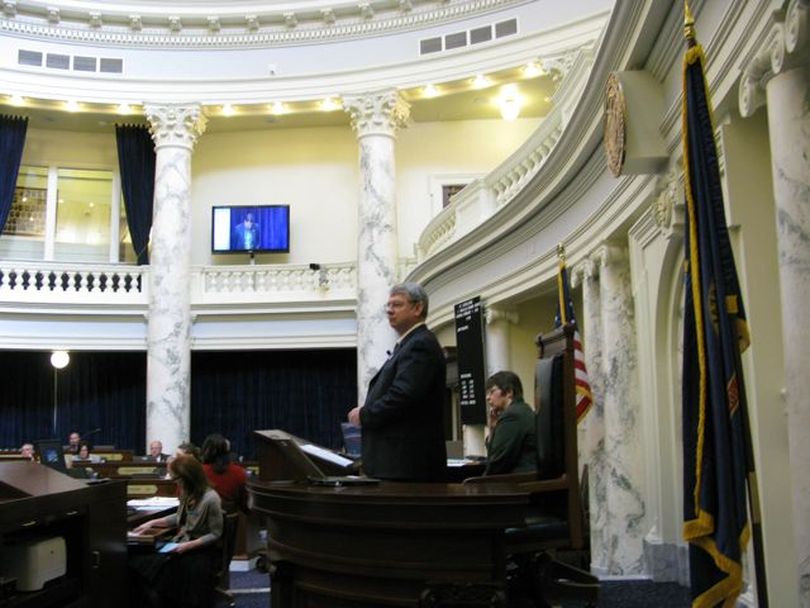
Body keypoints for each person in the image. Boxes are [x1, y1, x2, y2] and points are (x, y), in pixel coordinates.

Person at [347, 282, 447, 482]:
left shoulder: (420, 344)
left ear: (418, 308)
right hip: (397, 464)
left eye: (397, 305)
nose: (390, 311)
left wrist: (365, 414)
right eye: (388, 306)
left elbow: (403, 396)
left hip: (405, 466)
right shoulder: (408, 344)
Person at [129, 454, 224, 607]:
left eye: (176, 479)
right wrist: (152, 522)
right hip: (181, 545)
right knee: (138, 562)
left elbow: (215, 534)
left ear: (188, 477)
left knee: (161, 571)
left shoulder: (211, 498)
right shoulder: (188, 493)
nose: (175, 483)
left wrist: (188, 545)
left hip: (200, 552)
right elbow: (179, 517)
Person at [484, 371, 538, 476]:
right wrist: (492, 428)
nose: (487, 397)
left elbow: (496, 463)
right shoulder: (523, 409)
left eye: (492, 391)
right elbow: (494, 455)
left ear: (509, 392)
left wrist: (478, 483)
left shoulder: (512, 416)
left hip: (518, 482)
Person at [201, 433, 247, 514]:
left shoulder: (198, 471)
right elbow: (244, 503)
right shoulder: (239, 472)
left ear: (205, 450)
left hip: (203, 520)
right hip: (231, 520)